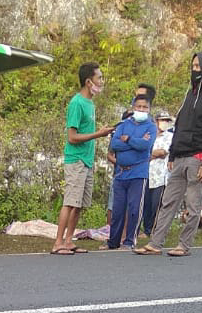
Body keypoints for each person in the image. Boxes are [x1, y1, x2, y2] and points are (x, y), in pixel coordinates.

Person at [134, 51, 202, 257]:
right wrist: (173, 154)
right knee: (168, 202)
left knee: (193, 205)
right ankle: (155, 243)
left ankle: (184, 245)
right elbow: (180, 124)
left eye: (197, 67)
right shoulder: (190, 93)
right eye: (193, 66)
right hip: (180, 155)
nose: (194, 70)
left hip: (199, 157)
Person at [51, 62, 114, 255]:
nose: (101, 82)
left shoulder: (90, 103)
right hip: (76, 159)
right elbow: (72, 137)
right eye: (99, 78)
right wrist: (98, 134)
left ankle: (69, 241)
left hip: (87, 160)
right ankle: (58, 243)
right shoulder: (77, 103)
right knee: (70, 202)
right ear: (88, 81)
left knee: (79, 204)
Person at [101, 94, 156, 250]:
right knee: (117, 209)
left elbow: (145, 146)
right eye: (138, 106)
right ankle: (113, 241)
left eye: (145, 107)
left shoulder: (151, 127)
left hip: (138, 173)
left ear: (149, 109)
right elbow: (115, 144)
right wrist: (133, 142)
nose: (141, 109)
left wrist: (129, 139)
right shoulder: (124, 124)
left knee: (134, 208)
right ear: (133, 107)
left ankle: (130, 241)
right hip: (120, 173)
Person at [140, 111, 173, 238]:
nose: (165, 123)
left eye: (167, 121)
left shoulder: (169, 137)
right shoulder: (148, 135)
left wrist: (149, 154)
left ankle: (155, 230)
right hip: (147, 174)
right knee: (146, 204)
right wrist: (150, 155)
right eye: (162, 120)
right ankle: (146, 229)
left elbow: (162, 152)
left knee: (157, 204)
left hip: (161, 176)